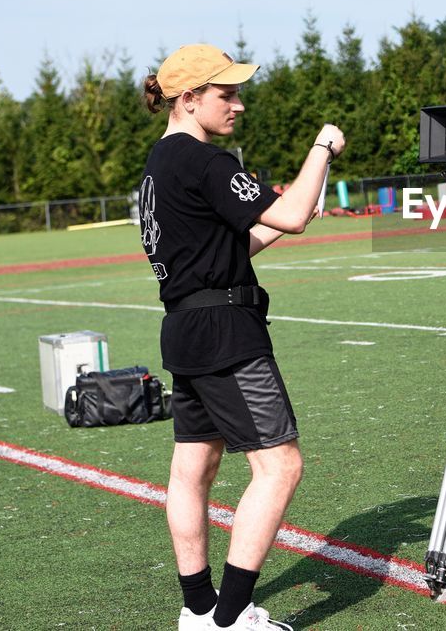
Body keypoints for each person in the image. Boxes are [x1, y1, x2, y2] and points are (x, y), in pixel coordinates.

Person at [140, 44, 345, 630]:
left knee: (193, 469)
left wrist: (288, 208)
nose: (239, 104)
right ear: (189, 99)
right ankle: (230, 620)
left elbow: (236, 244)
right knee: (279, 467)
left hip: (185, 328)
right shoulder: (206, 160)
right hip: (226, 333)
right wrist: (322, 149)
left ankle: (199, 610)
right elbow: (293, 216)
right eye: (226, 94)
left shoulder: (159, 166)